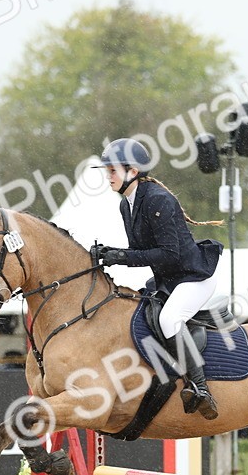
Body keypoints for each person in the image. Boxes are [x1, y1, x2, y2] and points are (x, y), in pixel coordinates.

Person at [89, 137, 225, 420]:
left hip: (193, 277)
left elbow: (169, 254)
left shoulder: (158, 200)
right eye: (108, 171)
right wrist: (112, 253)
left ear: (133, 171)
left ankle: (200, 388)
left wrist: (122, 257)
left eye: (113, 170)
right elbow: (142, 252)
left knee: (168, 319)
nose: (108, 176)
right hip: (168, 279)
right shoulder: (127, 204)